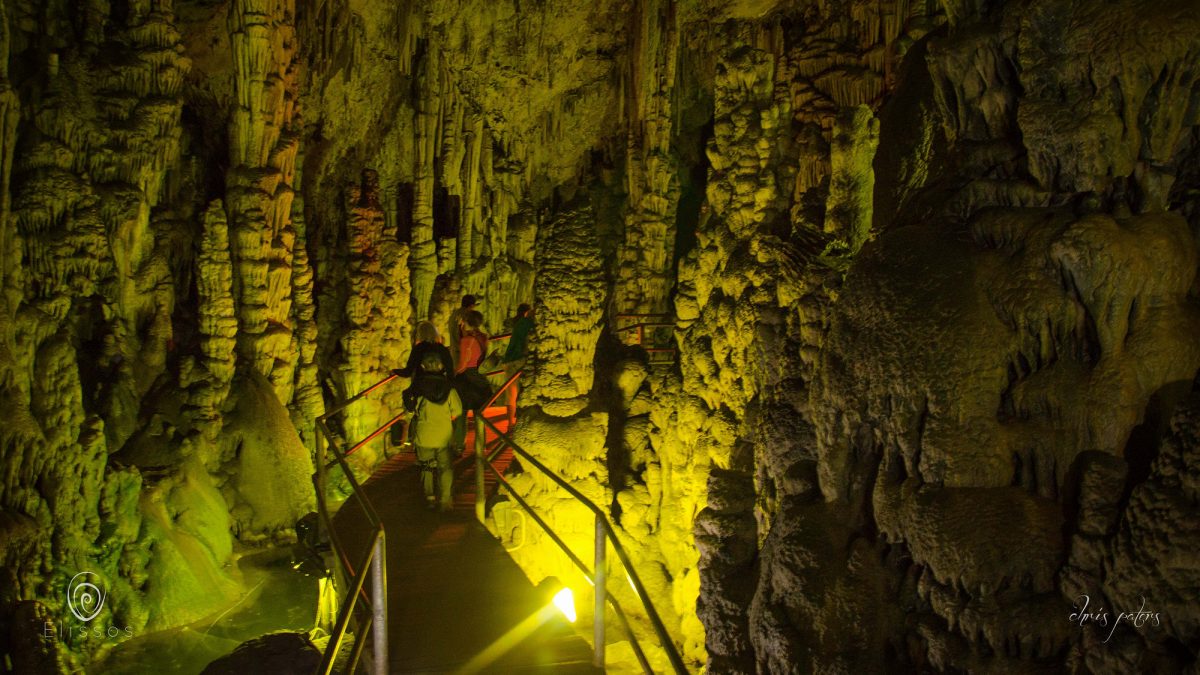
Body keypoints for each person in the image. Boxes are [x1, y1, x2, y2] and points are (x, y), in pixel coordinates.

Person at [403, 349, 462, 512]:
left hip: (424, 435)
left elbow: (409, 408)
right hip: (444, 435)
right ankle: (445, 501)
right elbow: (457, 411)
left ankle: (429, 498)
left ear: (423, 366)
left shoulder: (417, 387)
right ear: (441, 366)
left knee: (426, 466)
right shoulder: (449, 387)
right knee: (445, 467)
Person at [448, 294, 479, 370]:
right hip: (464, 352)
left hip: (454, 350)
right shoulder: (467, 316)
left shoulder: (454, 314)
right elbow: (467, 334)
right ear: (471, 306)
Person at [502, 303, 534, 371]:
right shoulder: (525, 324)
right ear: (526, 312)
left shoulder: (510, 322)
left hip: (507, 358)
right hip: (518, 357)